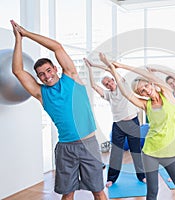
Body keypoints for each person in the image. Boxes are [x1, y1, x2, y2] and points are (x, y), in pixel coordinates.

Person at [11, 20, 107, 200]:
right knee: (67, 193)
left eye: (48, 70)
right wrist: (18, 40)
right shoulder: (41, 93)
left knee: (98, 191)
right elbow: (18, 71)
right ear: (38, 77)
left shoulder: (71, 77)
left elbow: (57, 48)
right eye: (42, 74)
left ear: (55, 69)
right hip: (65, 148)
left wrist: (26, 33)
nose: (47, 76)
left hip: (89, 144)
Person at [99, 53, 175, 200]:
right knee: (152, 193)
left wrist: (121, 66)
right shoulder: (146, 104)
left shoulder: (167, 95)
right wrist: (111, 69)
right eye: (141, 91)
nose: (145, 90)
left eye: (146, 86)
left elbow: (150, 76)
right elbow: (125, 92)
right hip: (150, 152)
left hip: (171, 154)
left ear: (151, 84)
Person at [83, 56, 146, 188]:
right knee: (116, 153)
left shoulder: (123, 85)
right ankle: (111, 178)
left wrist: (97, 63)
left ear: (114, 80)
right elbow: (94, 85)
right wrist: (90, 69)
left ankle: (142, 176)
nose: (109, 84)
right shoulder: (108, 95)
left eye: (110, 81)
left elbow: (112, 70)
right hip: (118, 125)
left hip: (133, 123)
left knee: (136, 151)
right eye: (106, 84)